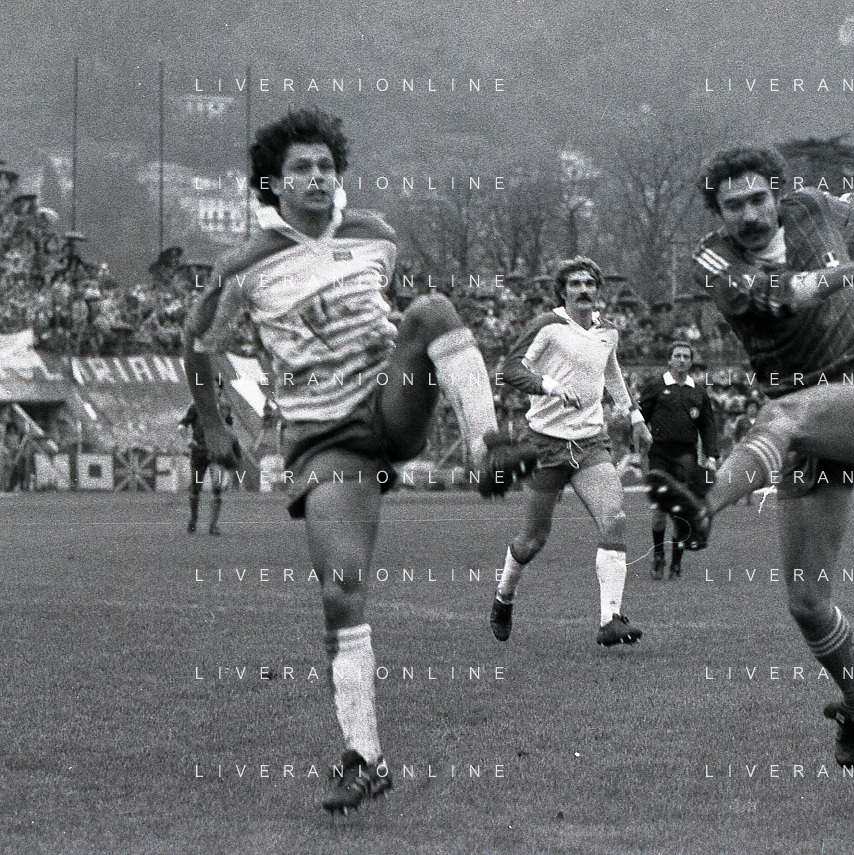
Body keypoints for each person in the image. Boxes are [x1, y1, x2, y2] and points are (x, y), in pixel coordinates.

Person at [184, 108, 534, 815]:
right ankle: (365, 758)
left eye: (326, 165)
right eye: (301, 168)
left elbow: (390, 315)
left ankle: (486, 448)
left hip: (387, 404)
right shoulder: (243, 266)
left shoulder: (374, 234)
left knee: (431, 310)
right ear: (272, 183)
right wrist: (215, 423)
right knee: (341, 587)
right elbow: (196, 342)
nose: (317, 176)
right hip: (324, 439)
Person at [646, 145, 854, 767]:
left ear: (777, 193)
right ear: (718, 212)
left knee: (783, 416)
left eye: (758, 199)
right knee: (806, 602)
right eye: (733, 206)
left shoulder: (813, 209)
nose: (749, 214)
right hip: (805, 426)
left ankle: (705, 508)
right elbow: (791, 295)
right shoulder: (714, 260)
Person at [489, 256, 654, 646]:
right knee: (532, 541)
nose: (583, 289)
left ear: (598, 290)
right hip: (545, 443)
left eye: (589, 283)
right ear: (562, 291)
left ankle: (610, 620)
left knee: (614, 518)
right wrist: (549, 386)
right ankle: (504, 596)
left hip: (591, 442)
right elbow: (509, 369)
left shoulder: (607, 331)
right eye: (575, 284)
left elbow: (610, 371)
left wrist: (634, 415)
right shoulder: (548, 325)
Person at [639, 342, 718, 578]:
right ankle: (658, 557)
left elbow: (707, 426)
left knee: (681, 511)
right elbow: (639, 419)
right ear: (669, 360)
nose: (682, 360)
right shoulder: (656, 386)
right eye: (677, 356)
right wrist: (635, 447)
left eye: (686, 356)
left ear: (691, 361)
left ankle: (676, 564)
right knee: (659, 510)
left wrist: (711, 456)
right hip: (659, 454)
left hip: (686, 456)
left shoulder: (698, 392)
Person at [179, 385, 234, 534]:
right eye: (211, 386)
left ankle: (213, 525)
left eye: (217, 387)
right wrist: (187, 440)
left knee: (217, 487)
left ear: (220, 390)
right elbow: (182, 425)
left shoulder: (225, 407)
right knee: (196, 487)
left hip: (216, 453)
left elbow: (229, 428)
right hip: (199, 453)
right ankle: (193, 519)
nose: (214, 390)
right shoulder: (196, 406)